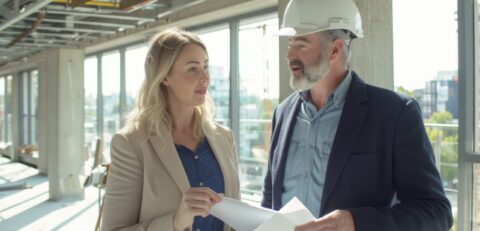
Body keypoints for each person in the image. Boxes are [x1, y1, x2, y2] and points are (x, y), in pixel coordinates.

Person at [261, 0, 453, 230]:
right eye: (290, 43)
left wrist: (355, 222)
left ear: (335, 49)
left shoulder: (394, 114)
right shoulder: (283, 113)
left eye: (301, 44)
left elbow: (435, 212)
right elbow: (270, 197)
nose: (288, 54)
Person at [101, 27, 240, 231]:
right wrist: (175, 222)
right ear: (165, 77)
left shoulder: (224, 137)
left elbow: (236, 219)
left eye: (206, 67)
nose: (205, 77)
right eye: (192, 68)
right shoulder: (131, 143)